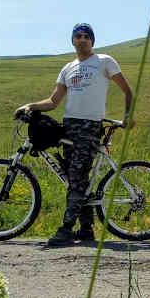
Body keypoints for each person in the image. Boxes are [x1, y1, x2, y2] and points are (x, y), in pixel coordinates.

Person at [16, 23, 134, 246]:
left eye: (86, 36)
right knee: (75, 178)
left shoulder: (104, 61)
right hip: (69, 126)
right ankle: (86, 229)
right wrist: (29, 106)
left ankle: (66, 229)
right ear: (72, 41)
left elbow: (127, 90)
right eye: (78, 36)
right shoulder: (67, 68)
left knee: (77, 177)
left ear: (92, 41)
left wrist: (127, 116)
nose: (82, 39)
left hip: (90, 127)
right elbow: (53, 102)